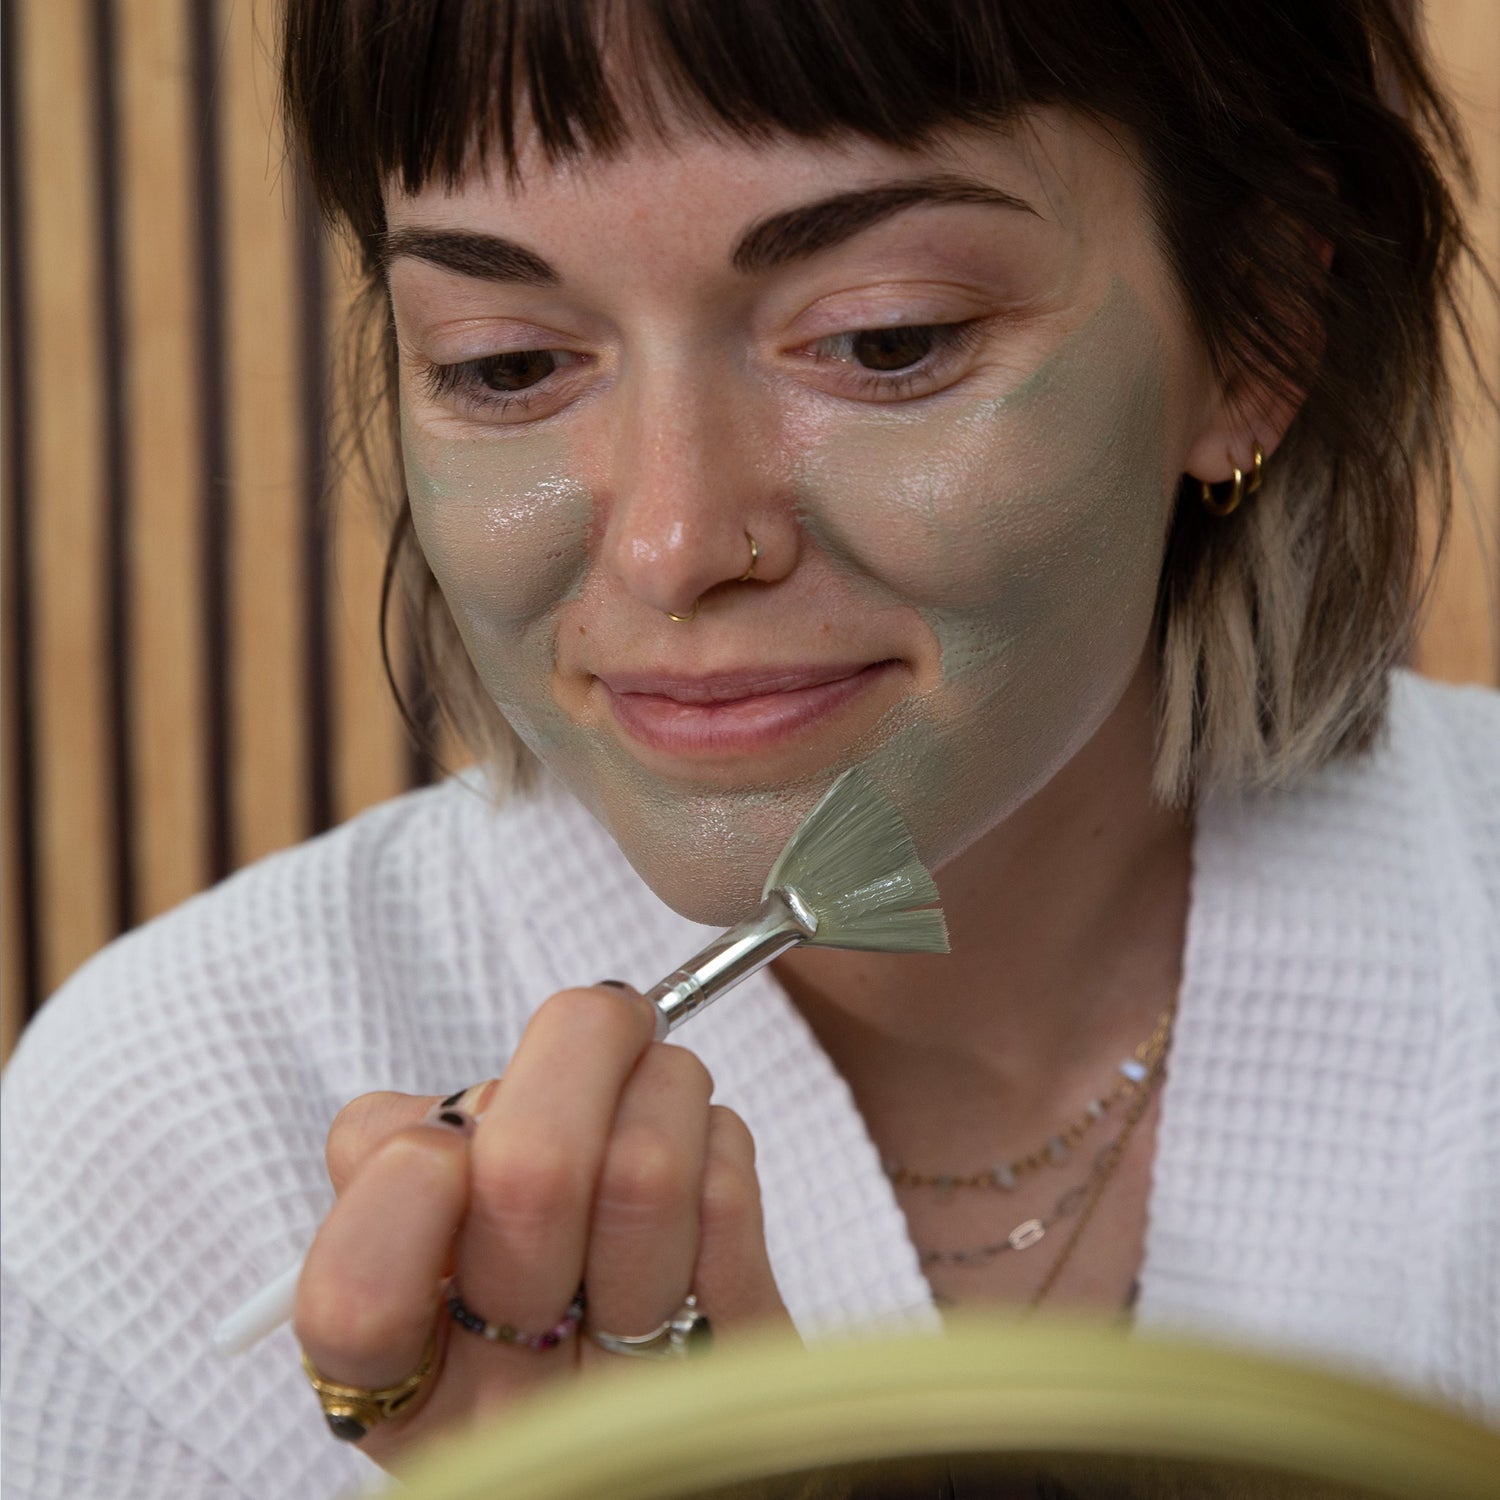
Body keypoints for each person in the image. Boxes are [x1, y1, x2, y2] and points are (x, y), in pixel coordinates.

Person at [3, 1, 1497, 1495]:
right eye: (507, 365)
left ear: (1257, 330)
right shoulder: (174, 1132)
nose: (670, 543)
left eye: (881, 338)